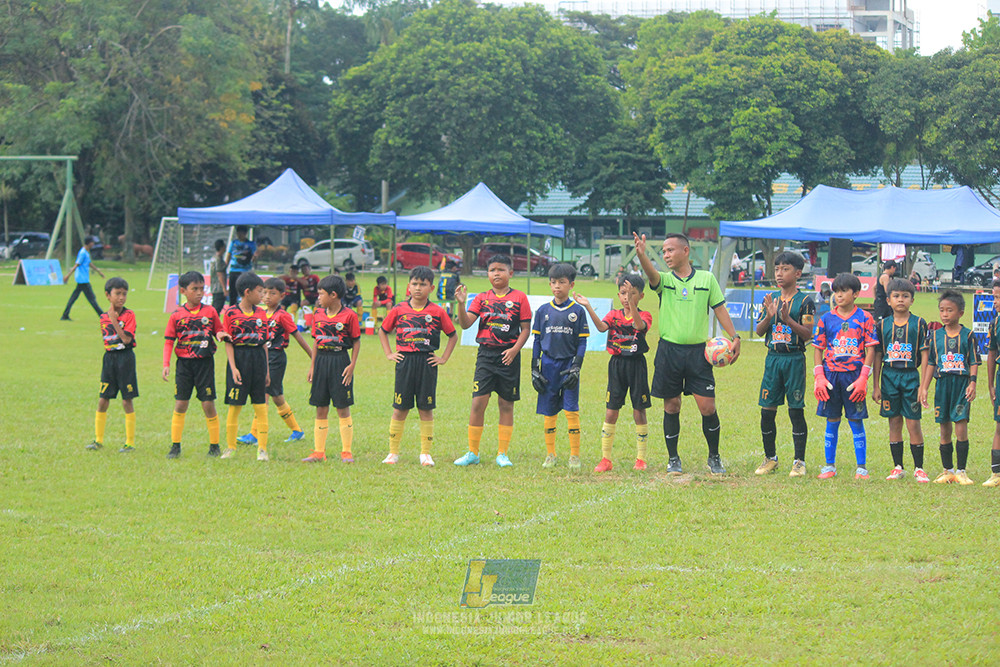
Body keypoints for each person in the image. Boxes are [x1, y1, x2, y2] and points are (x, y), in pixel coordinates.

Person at [633, 232, 741, 474]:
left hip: (699, 354)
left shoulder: (706, 279)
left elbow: (720, 309)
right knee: (672, 406)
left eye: (670, 250)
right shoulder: (664, 281)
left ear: (685, 251)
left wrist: (735, 336)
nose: (666, 255)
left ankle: (714, 457)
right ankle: (673, 459)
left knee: (708, 407)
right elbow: (651, 274)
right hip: (669, 352)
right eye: (663, 251)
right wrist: (641, 255)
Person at [452, 255, 532, 468]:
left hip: (509, 357)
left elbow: (526, 329)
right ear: (487, 274)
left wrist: (514, 350)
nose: (496, 273)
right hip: (486, 356)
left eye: (501, 269)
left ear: (510, 273)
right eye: (492, 270)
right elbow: (466, 324)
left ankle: (502, 454)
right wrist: (461, 304)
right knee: (478, 403)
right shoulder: (481, 298)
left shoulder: (519, 298)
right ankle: (472, 452)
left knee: (506, 404)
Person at [377, 266, 458, 466]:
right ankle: (393, 453)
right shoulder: (399, 309)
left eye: (423, 284)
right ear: (409, 286)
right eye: (414, 284)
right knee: (400, 408)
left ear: (431, 288)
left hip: (427, 363)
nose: (418, 288)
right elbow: (383, 330)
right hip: (404, 362)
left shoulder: (437, 311)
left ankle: (425, 454)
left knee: (425, 408)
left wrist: (443, 358)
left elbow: (453, 335)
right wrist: (389, 353)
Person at [575, 273, 652, 472]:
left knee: (639, 411)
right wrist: (588, 306)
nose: (627, 298)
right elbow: (601, 328)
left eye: (632, 294)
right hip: (617, 365)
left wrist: (632, 306)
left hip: (637, 365)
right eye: (623, 293)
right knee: (611, 411)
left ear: (641, 296)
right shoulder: (613, 315)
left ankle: (641, 459)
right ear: (618, 295)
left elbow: (639, 326)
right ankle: (606, 459)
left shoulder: (644, 315)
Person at [754, 252, 815, 477]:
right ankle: (770, 458)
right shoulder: (770, 299)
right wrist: (769, 316)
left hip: (794, 360)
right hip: (773, 359)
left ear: (797, 273)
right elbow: (759, 331)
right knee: (767, 410)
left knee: (795, 410)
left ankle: (799, 461)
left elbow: (807, 334)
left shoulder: (805, 302)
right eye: (777, 269)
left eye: (785, 269)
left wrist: (788, 319)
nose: (779, 273)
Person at [812, 273, 878, 480]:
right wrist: (819, 376)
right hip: (831, 376)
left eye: (844, 291)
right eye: (836, 292)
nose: (839, 295)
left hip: (854, 377)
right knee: (832, 419)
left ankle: (862, 468)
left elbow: (871, 349)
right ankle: (829, 466)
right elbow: (818, 349)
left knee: (855, 420)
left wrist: (863, 378)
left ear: (856, 293)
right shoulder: (826, 319)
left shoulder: (865, 318)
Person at [236, 278, 313, 447]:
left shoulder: (282, 316)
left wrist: (313, 357)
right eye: (264, 293)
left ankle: (254, 434)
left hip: (276, 358)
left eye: (272, 293)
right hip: (262, 357)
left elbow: (298, 337)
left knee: (262, 394)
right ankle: (297, 431)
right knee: (277, 397)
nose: (267, 297)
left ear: (282, 296)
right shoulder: (260, 313)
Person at [162, 271, 229, 458]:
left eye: (201, 288)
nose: (199, 292)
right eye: (195, 289)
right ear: (183, 291)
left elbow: (218, 329)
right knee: (181, 403)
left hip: (204, 364)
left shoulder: (210, 311)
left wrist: (221, 335)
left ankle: (214, 446)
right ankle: (175, 446)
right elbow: (169, 341)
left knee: (208, 403)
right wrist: (166, 364)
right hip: (184, 365)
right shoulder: (177, 315)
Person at [871, 278, 930, 482]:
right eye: (896, 296)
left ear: (912, 300)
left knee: (913, 423)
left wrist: (923, 386)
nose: (901, 300)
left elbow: (925, 354)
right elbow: (878, 355)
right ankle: (898, 467)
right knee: (894, 422)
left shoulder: (919, 323)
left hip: (910, 377)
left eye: (905, 296)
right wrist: (876, 385)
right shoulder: (882, 325)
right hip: (889, 377)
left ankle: (919, 468)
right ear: (888, 300)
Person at [531, 263, 589, 470]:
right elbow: (537, 341)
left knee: (571, 410)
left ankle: (574, 456)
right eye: (553, 282)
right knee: (549, 412)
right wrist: (534, 368)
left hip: (568, 366)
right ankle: (550, 454)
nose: (557, 286)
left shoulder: (577, 311)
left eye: (562, 282)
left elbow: (582, 342)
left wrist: (577, 366)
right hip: (548, 366)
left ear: (571, 285)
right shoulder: (542, 311)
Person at [919, 290, 979, 484]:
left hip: (961, 385)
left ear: (960, 313)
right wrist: (924, 387)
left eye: (949, 310)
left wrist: (972, 382)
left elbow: (974, 361)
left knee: (960, 427)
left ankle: (961, 471)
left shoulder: (968, 335)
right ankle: (948, 470)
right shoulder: (935, 336)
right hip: (942, 385)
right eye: (942, 310)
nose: (945, 314)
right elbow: (931, 363)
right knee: (944, 428)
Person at [303, 275, 361, 463]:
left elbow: (356, 341)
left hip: (340, 361)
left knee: (342, 407)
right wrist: (313, 366)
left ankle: (347, 452)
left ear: (333, 295)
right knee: (321, 407)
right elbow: (316, 342)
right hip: (321, 361)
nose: (318, 297)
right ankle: (319, 452)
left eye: (321, 294)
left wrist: (352, 365)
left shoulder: (349, 315)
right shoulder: (318, 314)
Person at [220, 272, 271, 460]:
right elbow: (228, 343)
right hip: (240, 359)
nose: (263, 296)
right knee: (235, 406)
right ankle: (230, 448)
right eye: (260, 291)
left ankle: (262, 449)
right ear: (247, 292)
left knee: (261, 407)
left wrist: (267, 370)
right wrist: (233, 368)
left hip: (258, 360)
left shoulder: (261, 313)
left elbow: (264, 343)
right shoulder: (231, 313)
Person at [87, 277, 138, 452]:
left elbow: (126, 340)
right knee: (103, 399)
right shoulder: (103, 317)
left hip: (125, 359)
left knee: (126, 400)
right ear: (108, 295)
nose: (121, 297)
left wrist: (114, 320)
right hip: (109, 360)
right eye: (117, 294)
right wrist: (110, 318)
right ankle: (98, 440)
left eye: (124, 294)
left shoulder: (129, 315)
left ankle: (130, 442)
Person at [61, 235, 106, 320]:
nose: (93, 244)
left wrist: (99, 272)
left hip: (82, 279)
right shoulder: (82, 253)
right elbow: (77, 265)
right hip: (83, 279)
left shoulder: (86, 252)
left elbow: (89, 263)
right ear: (89, 243)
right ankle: (103, 316)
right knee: (92, 299)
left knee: (74, 297)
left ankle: (65, 315)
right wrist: (68, 275)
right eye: (92, 242)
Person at [984, 294, 1000, 487]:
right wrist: (990, 384)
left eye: (999, 297)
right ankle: (996, 473)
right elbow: (991, 352)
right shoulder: (995, 323)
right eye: (995, 297)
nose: (995, 301)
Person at [225, 225, 257, 306]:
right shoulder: (233, 243)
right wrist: (225, 266)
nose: (240, 235)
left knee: (245, 291)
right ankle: (232, 307)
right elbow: (229, 254)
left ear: (245, 233)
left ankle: (246, 307)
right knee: (233, 292)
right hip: (234, 270)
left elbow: (254, 256)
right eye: (238, 233)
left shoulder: (250, 244)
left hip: (245, 271)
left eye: (242, 233)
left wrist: (254, 257)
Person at [210, 239, 228, 313]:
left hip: (214, 287)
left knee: (215, 307)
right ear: (222, 247)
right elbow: (220, 274)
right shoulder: (218, 259)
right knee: (217, 308)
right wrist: (224, 289)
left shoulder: (214, 258)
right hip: (218, 288)